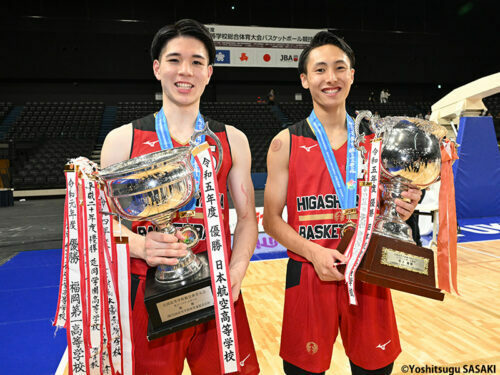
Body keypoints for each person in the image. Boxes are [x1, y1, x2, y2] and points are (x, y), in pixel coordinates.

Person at [101, 19, 260, 375]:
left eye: (197, 61)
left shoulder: (233, 139)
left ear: (209, 72)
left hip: (216, 286)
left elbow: (248, 218)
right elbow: (99, 224)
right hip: (147, 289)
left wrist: (235, 271)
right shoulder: (121, 140)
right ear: (157, 68)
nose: (184, 70)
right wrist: (141, 247)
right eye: (174, 60)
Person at [263, 31, 422, 375]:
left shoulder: (376, 143)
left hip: (367, 273)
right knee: (303, 370)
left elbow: (388, 210)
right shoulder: (285, 142)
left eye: (339, 68)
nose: (330, 78)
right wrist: (313, 252)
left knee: (375, 369)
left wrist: (401, 208)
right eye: (320, 70)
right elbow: (271, 220)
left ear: (352, 74)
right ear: (305, 79)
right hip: (308, 272)